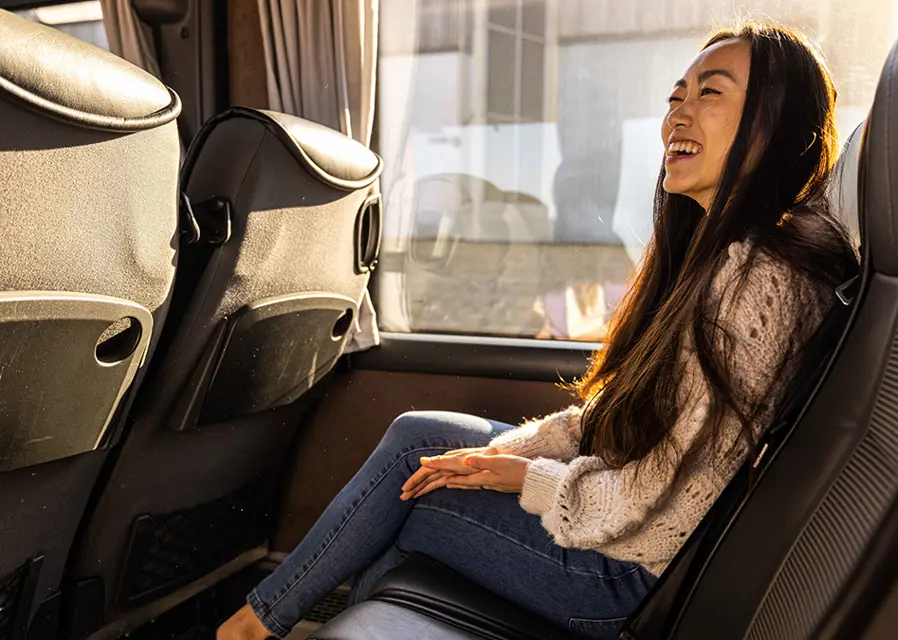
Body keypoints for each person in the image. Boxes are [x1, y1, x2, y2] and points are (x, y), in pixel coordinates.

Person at [218, 22, 858, 640]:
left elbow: (680, 492)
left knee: (416, 491)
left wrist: (529, 480)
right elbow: (613, 420)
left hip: (629, 580)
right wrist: (512, 457)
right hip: (621, 534)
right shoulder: (716, 257)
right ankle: (285, 623)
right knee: (421, 442)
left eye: (710, 93)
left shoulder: (759, 279)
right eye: (676, 96)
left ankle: (250, 627)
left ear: (776, 123)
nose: (678, 116)